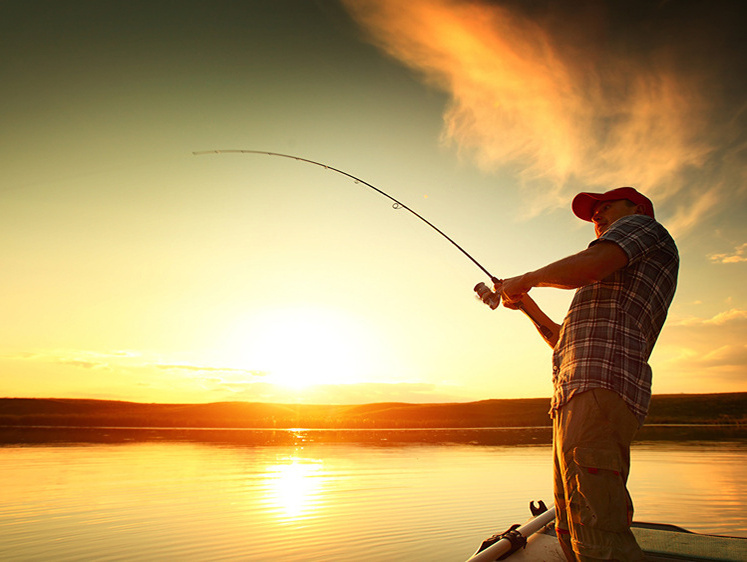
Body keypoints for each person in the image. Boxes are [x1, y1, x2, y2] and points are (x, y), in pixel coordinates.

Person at [489, 187, 679, 561]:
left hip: (599, 390)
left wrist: (525, 279)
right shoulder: (613, 272)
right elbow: (563, 341)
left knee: (598, 532)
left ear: (637, 208)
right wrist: (525, 304)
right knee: (571, 526)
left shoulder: (642, 227)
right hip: (576, 397)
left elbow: (587, 267)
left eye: (607, 207)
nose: (598, 217)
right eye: (595, 215)